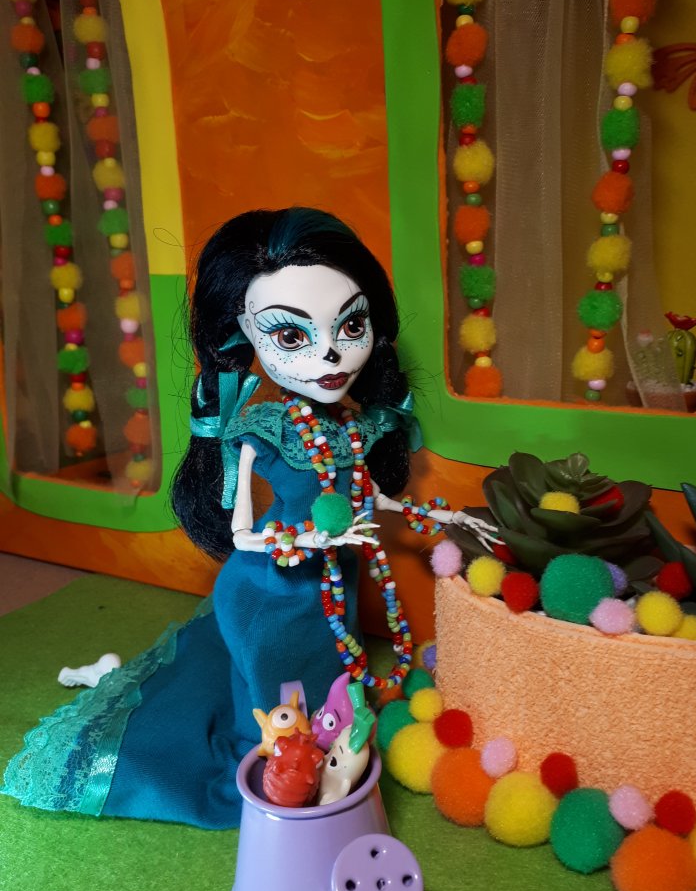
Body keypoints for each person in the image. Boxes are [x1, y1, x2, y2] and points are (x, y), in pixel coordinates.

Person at [3, 207, 490, 828]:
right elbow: (242, 534)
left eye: (351, 325)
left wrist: (441, 516)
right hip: (268, 594)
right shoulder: (263, 430)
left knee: (327, 690)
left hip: (329, 583)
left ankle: (320, 758)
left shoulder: (351, 425)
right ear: (243, 336)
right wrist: (314, 536)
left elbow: (369, 494)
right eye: (290, 336)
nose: (330, 353)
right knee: (269, 720)